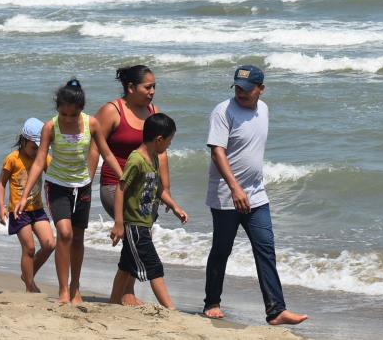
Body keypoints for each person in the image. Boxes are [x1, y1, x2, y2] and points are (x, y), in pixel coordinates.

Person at [203, 65, 308, 325]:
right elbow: (217, 152)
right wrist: (235, 188)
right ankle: (212, 302)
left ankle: (276, 311)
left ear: (261, 89)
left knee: (265, 249)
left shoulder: (264, 109)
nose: (241, 93)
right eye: (237, 88)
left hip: (257, 194)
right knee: (222, 250)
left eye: (247, 89)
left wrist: (248, 186)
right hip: (227, 195)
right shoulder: (223, 111)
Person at [17, 78, 123, 304]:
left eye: (72, 115)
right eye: (63, 114)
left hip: (82, 186)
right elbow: (38, 163)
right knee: (64, 233)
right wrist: (25, 195)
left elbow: (108, 153)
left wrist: (123, 176)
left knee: (77, 239)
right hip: (57, 185)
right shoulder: (50, 127)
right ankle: (63, 290)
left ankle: (75, 287)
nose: (67, 119)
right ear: (58, 111)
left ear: (80, 111)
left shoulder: (92, 124)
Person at [88, 65, 172, 305]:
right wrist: (86, 182)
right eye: (148, 87)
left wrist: (164, 191)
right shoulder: (112, 111)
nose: (152, 91)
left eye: (154, 86)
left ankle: (123, 295)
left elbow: (161, 153)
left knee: (133, 238)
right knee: (138, 236)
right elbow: (95, 146)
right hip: (116, 186)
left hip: (145, 190)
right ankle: (139, 296)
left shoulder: (153, 111)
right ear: (131, 87)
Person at [109, 113, 188, 309]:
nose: (169, 145)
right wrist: (119, 223)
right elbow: (120, 189)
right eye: (169, 141)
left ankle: (112, 304)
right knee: (154, 266)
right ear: (159, 139)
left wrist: (174, 206)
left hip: (143, 223)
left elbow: (158, 188)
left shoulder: (153, 158)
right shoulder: (136, 159)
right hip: (134, 225)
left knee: (127, 266)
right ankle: (170, 309)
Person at [0, 118, 56, 293]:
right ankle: (30, 285)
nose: (37, 151)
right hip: (18, 212)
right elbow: (1, 183)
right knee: (29, 248)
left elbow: (54, 176)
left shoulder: (43, 158)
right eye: (34, 147)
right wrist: (1, 206)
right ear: (23, 140)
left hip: (37, 210)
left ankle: (27, 273)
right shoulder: (12, 159)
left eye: (40, 147)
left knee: (49, 244)